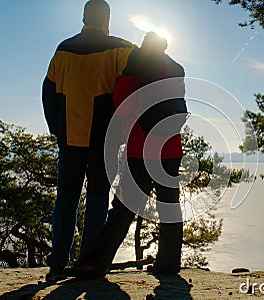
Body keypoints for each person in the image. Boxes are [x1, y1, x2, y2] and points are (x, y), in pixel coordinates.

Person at [66, 32, 187, 278]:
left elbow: (122, 103)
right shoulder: (175, 69)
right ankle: (169, 264)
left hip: (140, 148)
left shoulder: (135, 66)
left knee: (124, 208)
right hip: (170, 148)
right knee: (170, 206)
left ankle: (97, 262)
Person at [42, 0, 135, 282]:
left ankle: (58, 262)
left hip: (69, 138)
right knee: (97, 199)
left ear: (84, 18)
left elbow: (48, 92)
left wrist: (57, 129)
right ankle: (88, 262)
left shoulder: (63, 49)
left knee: (66, 199)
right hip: (103, 140)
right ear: (107, 19)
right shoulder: (122, 49)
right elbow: (132, 90)